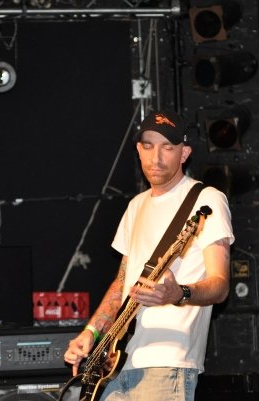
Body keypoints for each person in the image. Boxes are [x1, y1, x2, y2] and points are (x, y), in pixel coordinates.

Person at [63, 109, 235, 401]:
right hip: (118, 364)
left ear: (184, 153)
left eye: (167, 147)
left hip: (167, 364)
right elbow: (122, 283)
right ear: (138, 150)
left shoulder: (207, 200)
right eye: (148, 146)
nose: (156, 158)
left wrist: (178, 293)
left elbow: (220, 285)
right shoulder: (136, 206)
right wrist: (91, 332)